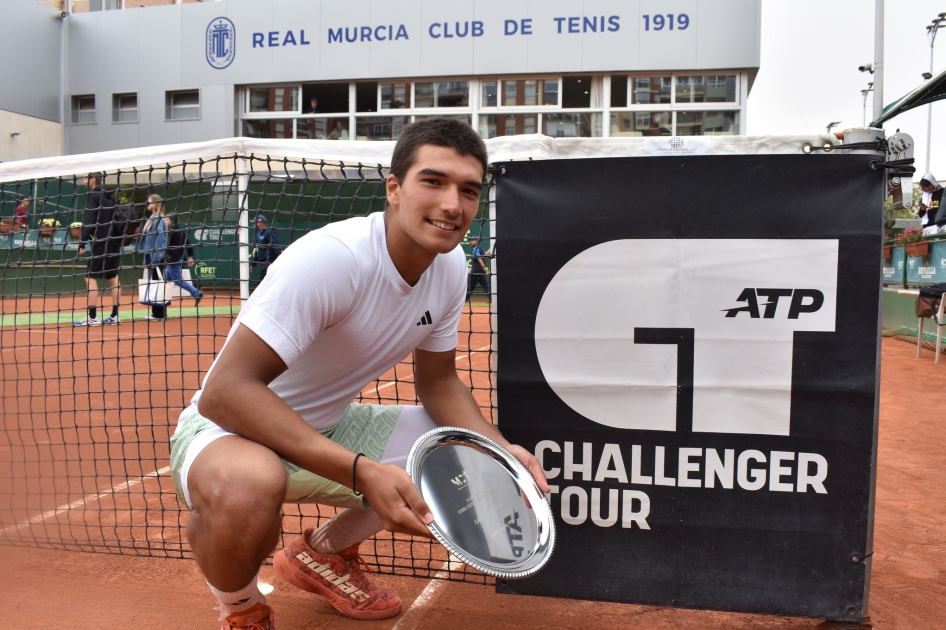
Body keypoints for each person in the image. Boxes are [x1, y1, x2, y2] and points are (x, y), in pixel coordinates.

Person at [168, 118, 549, 630]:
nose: (452, 205)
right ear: (393, 188)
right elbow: (224, 393)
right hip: (229, 431)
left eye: (468, 190)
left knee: (464, 451)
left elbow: (437, 381)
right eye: (432, 182)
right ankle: (242, 607)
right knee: (247, 492)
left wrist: (502, 454)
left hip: (329, 424)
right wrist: (359, 470)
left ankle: (320, 553)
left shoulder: (451, 266)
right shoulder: (334, 260)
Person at [74, 174, 122, 326]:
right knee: (113, 277)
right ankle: (115, 316)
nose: (84, 181)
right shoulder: (109, 196)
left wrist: (82, 242)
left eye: (86, 178)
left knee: (90, 277)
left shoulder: (93, 196)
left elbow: (89, 221)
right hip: (114, 242)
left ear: (93, 180)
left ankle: (93, 317)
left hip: (101, 241)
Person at [137, 194, 171, 321]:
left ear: (156, 203)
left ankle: (160, 314)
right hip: (153, 257)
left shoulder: (158, 219)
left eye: (150, 202)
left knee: (158, 284)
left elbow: (160, 241)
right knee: (155, 284)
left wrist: (155, 259)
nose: (148, 204)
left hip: (157, 258)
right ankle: (157, 313)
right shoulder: (153, 218)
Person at [165, 213, 203, 307]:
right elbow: (189, 245)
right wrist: (190, 257)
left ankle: (197, 293)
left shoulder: (170, 232)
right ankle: (164, 301)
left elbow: (163, 245)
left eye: (166, 219)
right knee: (166, 280)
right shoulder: (181, 232)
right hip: (176, 259)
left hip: (173, 260)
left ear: (172, 221)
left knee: (177, 281)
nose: (165, 221)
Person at [250, 215, 281, 284]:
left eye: (255, 223)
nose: (253, 225)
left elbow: (276, 248)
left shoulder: (269, 233)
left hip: (270, 262)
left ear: (261, 223)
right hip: (263, 262)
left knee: (261, 282)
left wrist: (278, 262)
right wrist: (252, 264)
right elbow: (258, 251)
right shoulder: (258, 235)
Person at [466, 236, 490, 303]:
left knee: (470, 285)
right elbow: (485, 256)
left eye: (472, 240)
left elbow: (479, 258)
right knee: (485, 284)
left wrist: (483, 267)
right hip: (480, 270)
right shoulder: (481, 248)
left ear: (476, 241)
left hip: (476, 270)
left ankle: (465, 298)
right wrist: (483, 268)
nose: (471, 242)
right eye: (470, 240)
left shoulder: (475, 248)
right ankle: (490, 297)